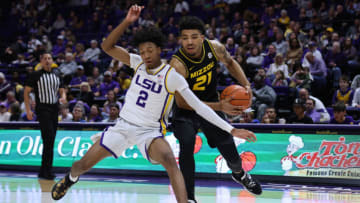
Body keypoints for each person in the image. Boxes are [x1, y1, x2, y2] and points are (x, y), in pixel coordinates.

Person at [51, 5, 257, 203]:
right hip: (122, 127)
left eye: (149, 50)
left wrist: (232, 129)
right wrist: (127, 21)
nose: (145, 55)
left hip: (149, 132)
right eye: (142, 51)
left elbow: (199, 106)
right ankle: (71, 178)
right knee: (81, 165)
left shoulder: (172, 75)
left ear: (159, 49)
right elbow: (107, 47)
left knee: (169, 159)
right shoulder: (137, 62)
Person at [170, 16, 262, 202]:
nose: (189, 41)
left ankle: (239, 174)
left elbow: (230, 62)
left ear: (202, 38)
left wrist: (246, 85)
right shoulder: (177, 64)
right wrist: (221, 106)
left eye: (194, 37)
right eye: (185, 37)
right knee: (186, 145)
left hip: (211, 103)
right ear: (180, 39)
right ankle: (188, 198)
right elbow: (182, 103)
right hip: (185, 110)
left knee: (229, 150)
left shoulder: (214, 47)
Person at [24, 52, 66, 180]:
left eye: (49, 58)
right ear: (41, 61)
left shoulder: (57, 74)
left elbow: (62, 89)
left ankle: (45, 170)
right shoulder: (35, 75)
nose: (47, 61)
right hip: (42, 109)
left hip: (54, 109)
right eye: (45, 59)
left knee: (51, 140)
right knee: (48, 138)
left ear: (52, 60)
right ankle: (46, 171)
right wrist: (28, 110)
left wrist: (63, 97)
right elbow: (26, 92)